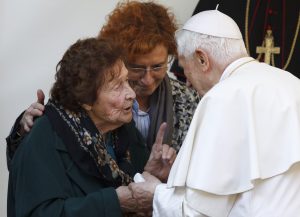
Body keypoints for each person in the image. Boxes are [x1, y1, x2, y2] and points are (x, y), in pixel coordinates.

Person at [129, 10, 300, 216]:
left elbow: (199, 212)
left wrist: (155, 194)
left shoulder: (221, 97)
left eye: (186, 69)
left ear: (202, 59)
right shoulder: (291, 81)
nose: (188, 82)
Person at [6, 1, 199, 161]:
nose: (148, 79)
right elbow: (36, 156)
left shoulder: (189, 100)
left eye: (158, 66)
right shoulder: (93, 95)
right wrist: (25, 131)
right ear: (119, 61)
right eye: (137, 68)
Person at [7, 38, 176, 217]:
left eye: (127, 81)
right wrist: (114, 202)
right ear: (87, 100)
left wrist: (151, 174)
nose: (132, 94)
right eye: (117, 87)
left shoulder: (121, 128)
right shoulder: (45, 137)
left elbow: (138, 190)